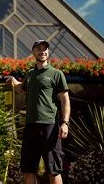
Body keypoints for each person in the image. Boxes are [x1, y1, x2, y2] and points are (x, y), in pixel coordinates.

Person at [6, 40, 71, 184]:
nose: (43, 52)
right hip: (30, 127)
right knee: (28, 169)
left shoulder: (56, 74)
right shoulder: (30, 74)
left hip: (50, 126)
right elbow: (21, 89)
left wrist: (65, 123)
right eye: (39, 49)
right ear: (33, 52)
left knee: (53, 170)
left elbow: (65, 99)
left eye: (45, 49)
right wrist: (13, 80)